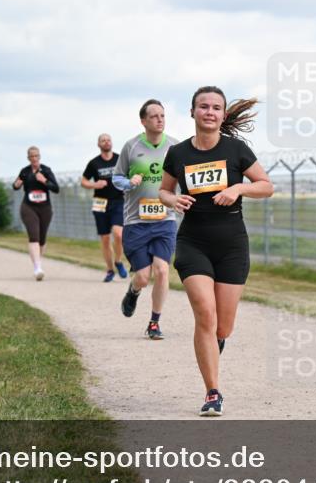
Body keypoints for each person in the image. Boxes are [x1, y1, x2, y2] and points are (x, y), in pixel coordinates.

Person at [158, 86, 273, 416]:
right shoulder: (178, 154)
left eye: (216, 107)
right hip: (193, 242)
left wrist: (238, 188)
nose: (209, 112)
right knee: (204, 314)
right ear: (192, 112)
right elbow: (164, 191)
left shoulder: (236, 149)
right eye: (203, 106)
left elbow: (266, 186)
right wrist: (173, 199)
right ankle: (212, 392)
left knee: (223, 327)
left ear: (223, 115)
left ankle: (214, 344)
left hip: (232, 245)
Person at [113, 100, 178, 340]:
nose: (160, 120)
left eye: (162, 115)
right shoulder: (131, 147)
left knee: (161, 271)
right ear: (143, 121)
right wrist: (129, 182)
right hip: (136, 221)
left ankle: (154, 322)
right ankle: (133, 291)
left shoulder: (175, 146)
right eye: (154, 116)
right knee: (142, 276)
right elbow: (116, 178)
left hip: (165, 220)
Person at [81, 134, 128, 282]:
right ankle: (109, 270)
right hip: (100, 202)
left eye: (108, 140)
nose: (106, 142)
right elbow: (83, 181)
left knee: (118, 234)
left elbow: (129, 174)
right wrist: (95, 185)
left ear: (111, 143)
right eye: (103, 140)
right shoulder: (94, 163)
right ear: (98, 144)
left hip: (118, 201)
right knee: (105, 238)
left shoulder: (119, 159)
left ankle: (118, 261)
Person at [12, 146, 59, 280]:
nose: (34, 158)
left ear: (39, 157)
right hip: (28, 207)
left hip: (45, 208)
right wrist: (17, 184)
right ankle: (37, 268)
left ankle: (38, 263)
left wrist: (44, 180)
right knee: (34, 236)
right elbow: (15, 186)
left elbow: (56, 188)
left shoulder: (46, 170)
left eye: (36, 156)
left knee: (42, 239)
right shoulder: (25, 171)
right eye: (31, 156)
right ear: (28, 158)